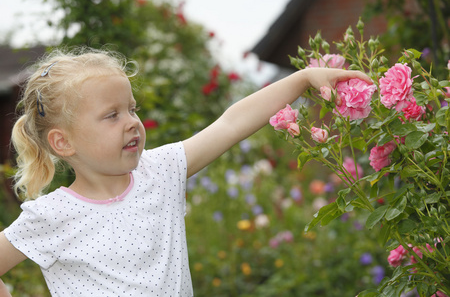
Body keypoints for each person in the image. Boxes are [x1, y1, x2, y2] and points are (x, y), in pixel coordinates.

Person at [0, 47, 372, 296]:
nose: (131, 122)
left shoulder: (161, 172)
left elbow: (231, 124)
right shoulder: (50, 216)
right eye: (112, 115)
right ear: (64, 143)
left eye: (131, 109)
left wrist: (302, 79)